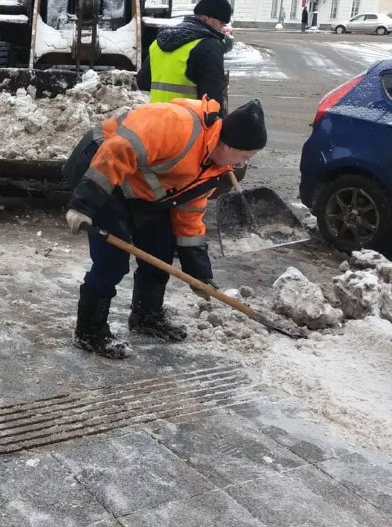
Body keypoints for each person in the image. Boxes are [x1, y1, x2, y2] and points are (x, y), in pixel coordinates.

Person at [63, 97, 267, 359]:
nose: (241, 165)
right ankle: (89, 331)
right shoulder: (177, 126)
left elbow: (189, 215)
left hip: (139, 183)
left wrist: (199, 274)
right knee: (112, 260)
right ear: (228, 145)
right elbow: (117, 151)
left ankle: (146, 316)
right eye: (243, 158)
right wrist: (83, 205)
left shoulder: (214, 166)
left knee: (160, 247)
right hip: (99, 167)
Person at [136, 0, 232, 112]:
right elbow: (212, 101)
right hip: (189, 122)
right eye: (221, 23)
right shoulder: (209, 45)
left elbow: (142, 82)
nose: (222, 28)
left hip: (157, 118)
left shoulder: (158, 42)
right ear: (206, 19)